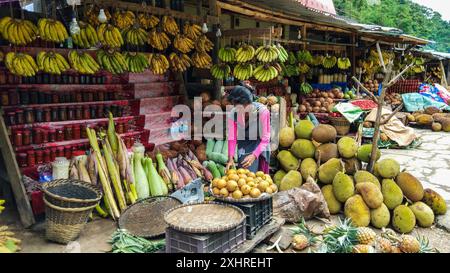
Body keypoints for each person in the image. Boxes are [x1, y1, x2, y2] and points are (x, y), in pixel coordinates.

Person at [225, 84, 271, 173]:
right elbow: (232, 137)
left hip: (260, 144)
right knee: (243, 176)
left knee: (259, 178)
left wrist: (254, 155)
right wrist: (230, 158)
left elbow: (266, 138)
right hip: (244, 144)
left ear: (249, 103)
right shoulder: (233, 114)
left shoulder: (263, 112)